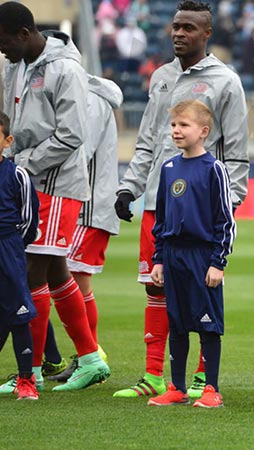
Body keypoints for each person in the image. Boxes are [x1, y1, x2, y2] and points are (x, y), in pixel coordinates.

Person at [114, 0, 249, 399]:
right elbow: (147, 143)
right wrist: (129, 188)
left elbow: (237, 150)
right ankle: (157, 375)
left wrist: (231, 201)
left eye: (188, 28)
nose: (178, 33)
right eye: (176, 26)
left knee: (203, 294)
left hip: (203, 207)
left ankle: (203, 380)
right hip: (161, 202)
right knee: (156, 289)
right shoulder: (159, 77)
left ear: (206, 33)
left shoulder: (226, 81)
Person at [0, 1, 110, 392]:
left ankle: (30, 373)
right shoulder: (13, 66)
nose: (3, 50)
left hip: (58, 182)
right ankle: (92, 357)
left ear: (25, 34)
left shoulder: (65, 69)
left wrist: (23, 162)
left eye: (6, 42)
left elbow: (72, 134)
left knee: (31, 271)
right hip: (29, 182)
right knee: (55, 270)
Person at [145, 99, 234, 409]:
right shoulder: (169, 168)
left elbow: (225, 219)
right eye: (173, 125)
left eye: (183, 125)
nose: (176, 130)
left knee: (208, 323)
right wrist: (158, 258)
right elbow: (161, 218)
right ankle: (177, 387)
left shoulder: (214, 169)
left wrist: (217, 262)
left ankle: (212, 388)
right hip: (173, 255)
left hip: (202, 255)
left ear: (203, 131)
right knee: (178, 322)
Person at [45, 75, 124, 383]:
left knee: (72, 280)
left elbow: (78, 150)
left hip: (88, 205)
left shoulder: (90, 101)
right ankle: (88, 353)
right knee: (74, 281)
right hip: (87, 203)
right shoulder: (86, 97)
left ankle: (89, 354)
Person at [0, 111, 40, 400]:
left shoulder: (16, 174)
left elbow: (29, 220)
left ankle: (26, 380)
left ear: (7, 140)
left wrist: (13, 246)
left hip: (7, 246)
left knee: (19, 313)